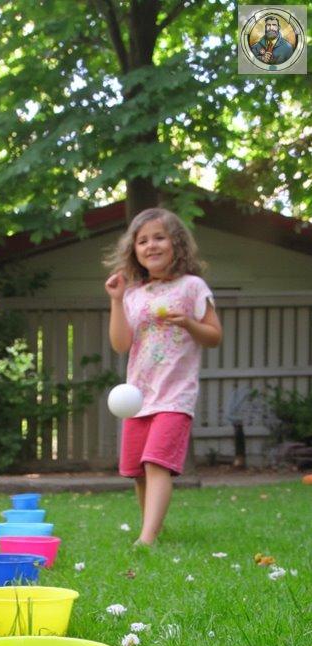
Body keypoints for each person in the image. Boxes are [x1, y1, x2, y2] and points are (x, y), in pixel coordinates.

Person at [105, 208, 222, 546]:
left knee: (156, 463)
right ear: (134, 250)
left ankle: (146, 539)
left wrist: (188, 323)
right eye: (142, 241)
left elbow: (214, 336)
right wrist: (116, 301)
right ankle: (153, 529)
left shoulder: (192, 287)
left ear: (177, 244)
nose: (151, 245)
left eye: (159, 237)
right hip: (138, 396)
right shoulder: (133, 294)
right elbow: (120, 344)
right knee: (137, 471)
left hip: (175, 394)